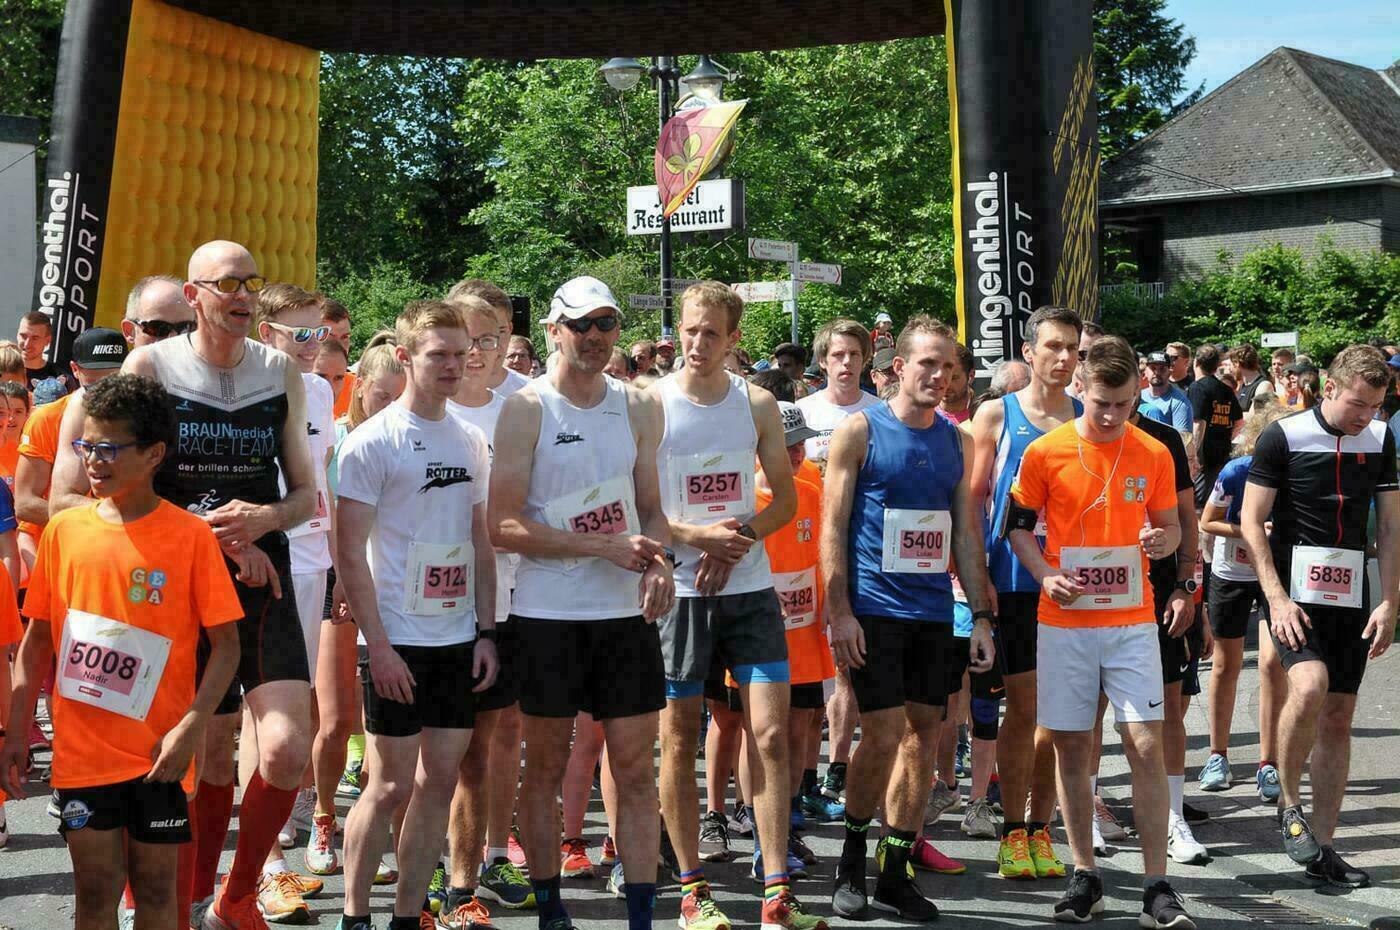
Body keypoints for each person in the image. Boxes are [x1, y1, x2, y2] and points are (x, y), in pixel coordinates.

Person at [48, 241, 319, 930]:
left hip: (260, 573)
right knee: (198, 750)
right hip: (171, 579)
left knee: (287, 747)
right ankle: (180, 899)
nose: (243, 294)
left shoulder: (280, 370)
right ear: (195, 295)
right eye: (228, 283)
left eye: (251, 282)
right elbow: (97, 488)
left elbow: (305, 497)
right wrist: (212, 537)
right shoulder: (150, 366)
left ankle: (236, 895)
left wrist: (262, 520)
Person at [0, 374, 242, 930]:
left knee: (157, 892)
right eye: (86, 446)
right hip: (83, 754)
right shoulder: (63, 531)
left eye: (108, 448)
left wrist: (191, 728)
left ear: (154, 453)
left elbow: (227, 647)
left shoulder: (189, 536)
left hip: (160, 752)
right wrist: (14, 731)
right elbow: (37, 641)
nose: (93, 460)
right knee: (94, 891)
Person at [490, 274, 674, 930]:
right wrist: (600, 547)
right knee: (544, 766)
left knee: (636, 769)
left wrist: (660, 561)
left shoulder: (639, 405)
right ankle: (550, 911)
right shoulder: (527, 409)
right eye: (581, 324)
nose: (595, 336)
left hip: (624, 618)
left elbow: (652, 510)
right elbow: (502, 524)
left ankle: (643, 918)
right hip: (548, 616)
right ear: (553, 331)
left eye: (606, 323)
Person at [1008, 335, 1195, 929]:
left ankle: (1156, 885)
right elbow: (1018, 526)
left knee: (1145, 744)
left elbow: (1171, 526)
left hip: (1131, 620)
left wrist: (1163, 542)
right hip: (1065, 622)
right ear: (1079, 391)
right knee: (1071, 745)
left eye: (1123, 404)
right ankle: (1084, 874)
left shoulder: (1153, 452)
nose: (1112, 416)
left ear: (1137, 394)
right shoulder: (1046, 451)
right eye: (1101, 404)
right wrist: (1045, 575)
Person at [651, 281, 819, 930]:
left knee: (771, 735)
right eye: (691, 330)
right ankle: (693, 889)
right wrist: (699, 539)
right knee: (678, 738)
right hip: (683, 593)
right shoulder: (650, 402)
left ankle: (777, 890)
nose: (698, 343)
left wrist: (738, 539)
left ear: (733, 340)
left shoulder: (756, 403)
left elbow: (786, 500)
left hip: (749, 591)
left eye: (712, 333)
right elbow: (638, 504)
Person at [823, 316, 994, 922]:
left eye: (948, 367)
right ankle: (850, 859)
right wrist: (839, 612)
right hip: (873, 608)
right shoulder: (860, 430)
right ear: (899, 367)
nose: (939, 376)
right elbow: (832, 527)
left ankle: (895, 869)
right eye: (927, 364)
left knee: (927, 731)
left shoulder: (957, 441)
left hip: (932, 611)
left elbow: (965, 534)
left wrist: (980, 614)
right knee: (883, 731)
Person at [334, 299, 498, 930]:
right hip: (395, 639)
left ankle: (408, 915)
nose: (453, 365)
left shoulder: (471, 439)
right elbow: (349, 551)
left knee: (439, 782)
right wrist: (377, 646)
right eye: (438, 355)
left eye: (461, 353)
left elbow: (480, 541)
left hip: (457, 638)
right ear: (404, 357)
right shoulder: (372, 442)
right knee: (388, 786)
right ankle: (355, 914)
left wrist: (486, 632)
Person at [1239, 345, 1397, 888]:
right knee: (1309, 687)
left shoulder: (1381, 439)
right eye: (1358, 403)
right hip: (1292, 593)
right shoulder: (1282, 437)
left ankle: (1325, 846)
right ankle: (1289, 804)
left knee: (1338, 715)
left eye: (1375, 406)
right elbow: (1250, 521)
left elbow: (1390, 528)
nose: (1366, 416)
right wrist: (1276, 598)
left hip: (1350, 593)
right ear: (1329, 388)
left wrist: (1389, 601)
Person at [968, 306, 1083, 881]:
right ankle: (1014, 829)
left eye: (1073, 349)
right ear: (1029, 351)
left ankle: (1042, 828)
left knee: (1061, 716)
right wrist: (975, 578)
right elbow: (971, 503)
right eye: (1053, 347)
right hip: (1014, 580)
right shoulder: (997, 413)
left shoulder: (1087, 415)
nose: (1064, 358)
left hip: (1076, 584)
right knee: (1025, 708)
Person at [439, 296, 537, 927]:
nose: (477, 352)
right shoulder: (427, 403)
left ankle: (492, 856)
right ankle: (441, 868)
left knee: (501, 736)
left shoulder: (526, 403)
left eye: (490, 338)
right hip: (435, 599)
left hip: (514, 591)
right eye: (466, 339)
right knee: (442, 744)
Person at [243, 284, 340, 917]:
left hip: (311, 560)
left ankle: (269, 852)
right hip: (261, 559)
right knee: (263, 712)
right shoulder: (250, 384)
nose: (313, 346)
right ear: (266, 332)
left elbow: (320, 479)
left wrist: (337, 565)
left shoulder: (322, 391)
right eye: (299, 334)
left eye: (319, 333)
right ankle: (266, 866)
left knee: (294, 705)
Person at [1198, 404, 1291, 802]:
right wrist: (1250, 530)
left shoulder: (1296, 471)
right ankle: (1217, 755)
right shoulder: (1237, 471)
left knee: (1272, 664)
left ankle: (1268, 762)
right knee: (1226, 664)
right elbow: (1207, 521)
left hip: (1274, 575)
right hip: (1232, 573)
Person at [796, 320, 878, 467]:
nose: (847, 361)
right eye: (838, 354)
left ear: (864, 360)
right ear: (822, 361)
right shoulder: (801, 411)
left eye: (854, 354)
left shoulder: (881, 412)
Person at [445, 279, 531, 398]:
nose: (492, 344)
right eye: (471, 335)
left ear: (510, 329)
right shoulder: (429, 399)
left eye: (500, 331)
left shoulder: (535, 396)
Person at [1188, 344, 1243, 509]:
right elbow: (1239, 422)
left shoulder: (1197, 387)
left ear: (1196, 362)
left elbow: (1198, 423)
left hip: (1204, 457)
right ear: (1216, 366)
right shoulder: (1226, 389)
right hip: (1223, 454)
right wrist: (1227, 436)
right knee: (1216, 502)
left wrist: (1193, 454)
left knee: (1199, 504)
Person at [17, 311, 75, 392]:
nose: (27, 344)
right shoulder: (4, 370)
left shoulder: (62, 380)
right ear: (17, 334)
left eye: (35, 338)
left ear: (48, 340)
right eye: (23, 336)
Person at [321, 298, 357, 420]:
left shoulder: (359, 388)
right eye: (330, 337)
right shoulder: (294, 385)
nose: (340, 346)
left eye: (345, 337)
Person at [1140, 351, 1193, 433]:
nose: (1157, 372)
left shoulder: (1180, 403)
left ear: (1170, 372)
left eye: (1162, 369)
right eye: (1153, 368)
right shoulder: (1138, 397)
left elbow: (1183, 438)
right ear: (1145, 372)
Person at [1230, 344, 1274, 411]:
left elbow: (1254, 414)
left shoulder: (1264, 386)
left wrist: (1228, 415)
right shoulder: (1243, 386)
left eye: (1230, 365)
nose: (1230, 370)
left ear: (1237, 363)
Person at [939, 343, 974, 424]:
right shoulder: (922, 415)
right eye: (941, 377)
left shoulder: (982, 415)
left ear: (971, 376)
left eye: (953, 378)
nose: (946, 385)